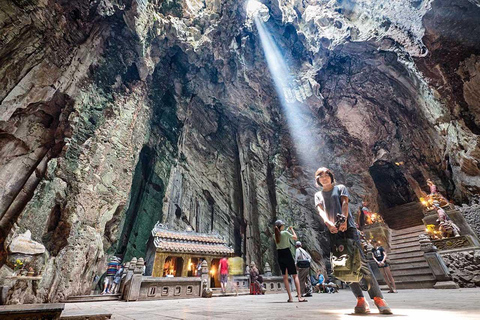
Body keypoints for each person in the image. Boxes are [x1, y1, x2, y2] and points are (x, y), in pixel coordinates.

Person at [314, 167, 392, 314]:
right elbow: (321, 211)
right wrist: (329, 224)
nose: (324, 178)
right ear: (318, 180)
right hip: (333, 232)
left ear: (331, 176)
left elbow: (344, 203)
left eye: (326, 175)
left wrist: (343, 220)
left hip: (348, 229)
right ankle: (360, 300)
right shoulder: (318, 194)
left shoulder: (340, 188)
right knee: (343, 265)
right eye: (321, 176)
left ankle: (378, 299)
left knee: (361, 263)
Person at [274, 220, 307, 303]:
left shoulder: (275, 235)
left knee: (285, 277)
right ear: (280, 226)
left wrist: (287, 231)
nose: (284, 226)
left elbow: (282, 235)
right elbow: (295, 237)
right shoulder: (285, 233)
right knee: (295, 275)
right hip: (287, 254)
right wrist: (292, 230)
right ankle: (299, 297)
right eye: (283, 225)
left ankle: (290, 297)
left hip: (280, 254)